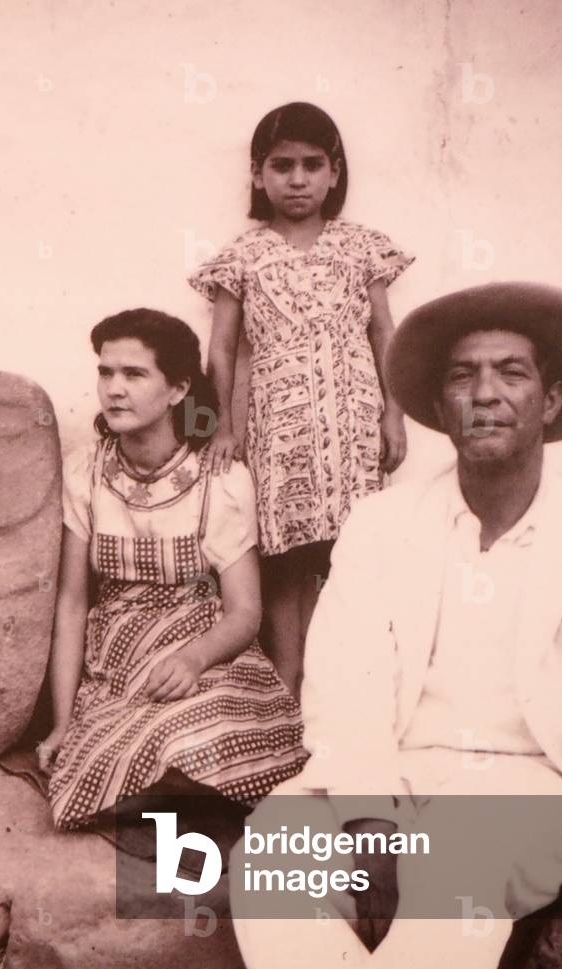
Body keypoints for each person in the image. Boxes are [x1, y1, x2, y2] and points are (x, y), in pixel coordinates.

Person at [231, 283, 562, 968]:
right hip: (391, 773)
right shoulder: (382, 523)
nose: (484, 392)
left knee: (451, 876)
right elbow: (342, 681)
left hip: (527, 781)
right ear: (440, 407)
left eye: (511, 371)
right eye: (461, 375)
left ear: (553, 399)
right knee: (270, 856)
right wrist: (368, 821)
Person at [37, 308, 305, 830]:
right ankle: (170, 795)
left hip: (208, 653)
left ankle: (175, 793)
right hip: (118, 662)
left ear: (178, 389)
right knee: (120, 749)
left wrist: (193, 659)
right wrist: (62, 721)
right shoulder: (85, 470)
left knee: (199, 731)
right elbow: (72, 602)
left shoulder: (222, 479)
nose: (114, 389)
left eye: (134, 374)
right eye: (105, 372)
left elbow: (246, 611)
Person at [189, 102, 413, 695]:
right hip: (278, 430)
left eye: (312, 165)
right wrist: (223, 427)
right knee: (285, 557)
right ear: (259, 175)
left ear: (334, 173)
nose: (297, 179)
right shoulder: (242, 256)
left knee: (346, 553)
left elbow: (385, 334)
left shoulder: (362, 248)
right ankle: (288, 682)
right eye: (281, 165)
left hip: (354, 426)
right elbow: (223, 349)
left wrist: (394, 412)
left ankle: (336, 680)